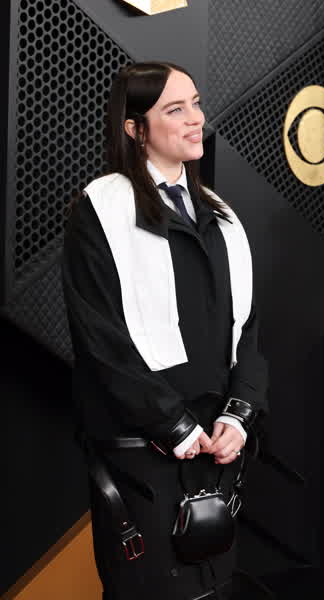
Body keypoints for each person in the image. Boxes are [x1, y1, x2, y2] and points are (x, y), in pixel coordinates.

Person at [61, 61, 268, 600]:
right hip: (143, 454)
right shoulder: (101, 208)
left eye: (195, 103)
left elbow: (247, 331)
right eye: (175, 109)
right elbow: (100, 339)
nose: (196, 118)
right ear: (135, 128)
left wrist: (239, 415)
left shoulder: (220, 216)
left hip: (216, 453)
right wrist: (173, 423)